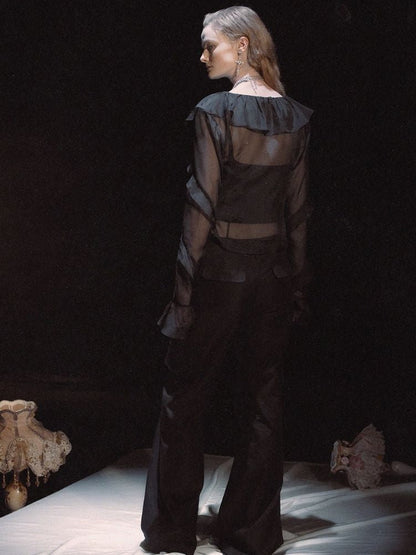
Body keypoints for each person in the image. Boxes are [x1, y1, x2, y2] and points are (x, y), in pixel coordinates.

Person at [140, 6, 313, 555]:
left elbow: (200, 205)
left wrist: (182, 293)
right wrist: (298, 282)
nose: (202, 55)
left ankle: (173, 531)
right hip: (272, 278)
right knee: (263, 398)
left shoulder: (215, 111)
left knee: (184, 395)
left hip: (218, 275)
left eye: (209, 45)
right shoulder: (294, 118)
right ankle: (250, 531)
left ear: (241, 45)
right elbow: (298, 213)